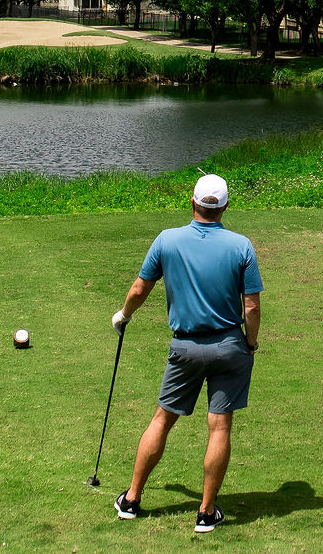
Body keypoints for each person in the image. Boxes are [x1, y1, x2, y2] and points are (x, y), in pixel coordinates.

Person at [110, 173, 263, 533]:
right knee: (219, 425)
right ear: (225, 206)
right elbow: (252, 307)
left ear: (192, 202)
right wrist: (251, 343)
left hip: (185, 347)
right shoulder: (241, 246)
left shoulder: (167, 239)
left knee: (162, 419)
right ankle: (206, 513)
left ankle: (131, 499)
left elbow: (139, 288)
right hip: (229, 346)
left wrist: (123, 316)